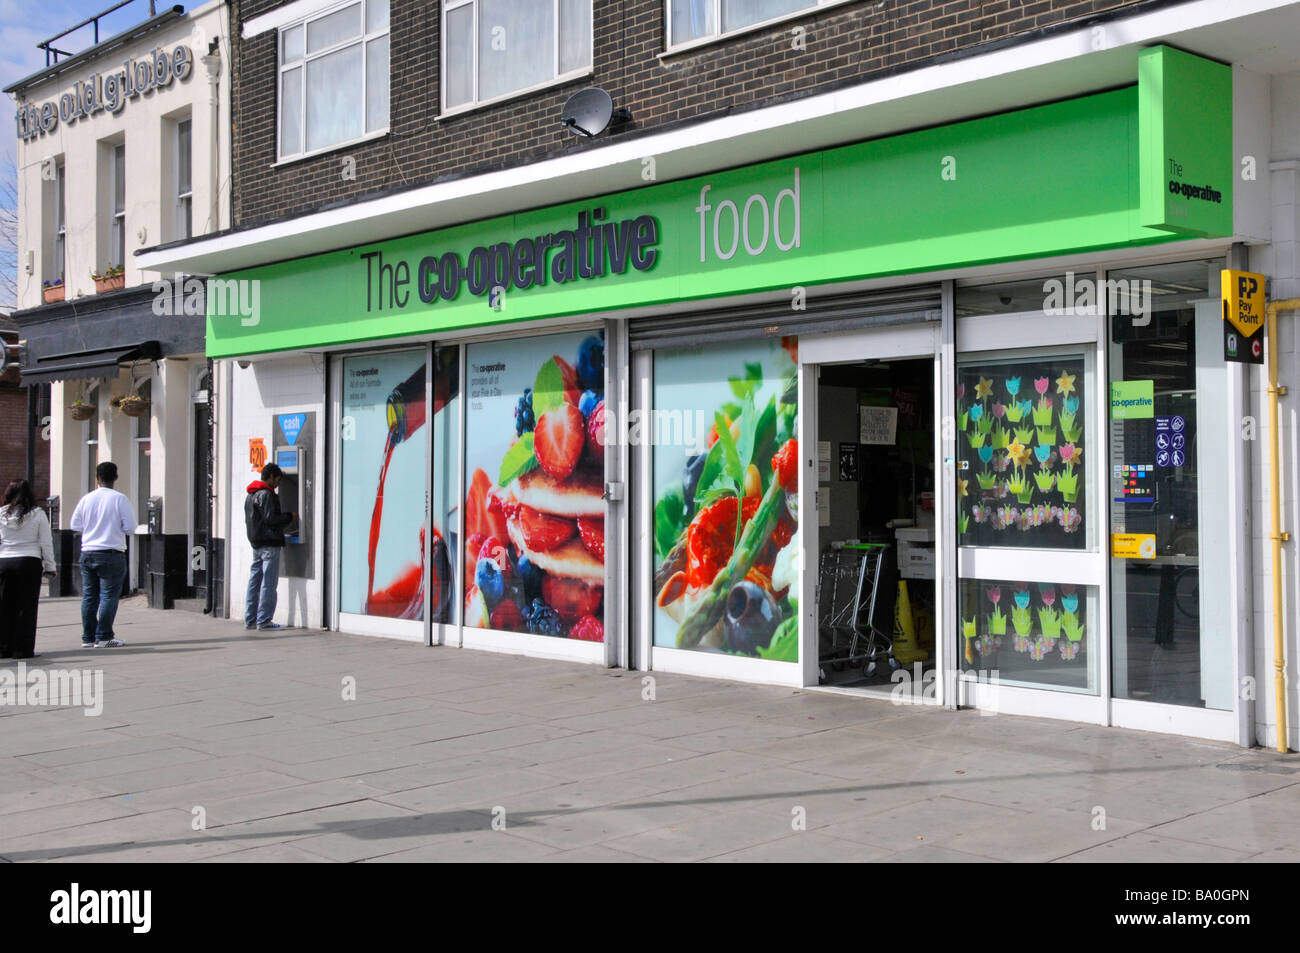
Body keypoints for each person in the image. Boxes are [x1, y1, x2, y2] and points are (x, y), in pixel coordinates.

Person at [70, 462, 136, 647]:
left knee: (89, 596)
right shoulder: (119, 499)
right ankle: (105, 636)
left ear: (97, 477)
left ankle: (88, 638)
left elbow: (75, 524)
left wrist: (91, 528)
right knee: (108, 595)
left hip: (88, 552)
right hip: (111, 553)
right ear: (116, 477)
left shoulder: (87, 499)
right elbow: (130, 527)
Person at [0, 480, 56, 660]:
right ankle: (22, 649)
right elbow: (46, 543)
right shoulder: (38, 514)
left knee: (4, 606)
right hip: (29, 562)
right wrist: (50, 566)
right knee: (26, 607)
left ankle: (3, 647)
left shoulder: (1, 514)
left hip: (4, 562)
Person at [245, 463, 297, 631]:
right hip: (270, 544)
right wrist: (290, 516)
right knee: (269, 583)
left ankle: (251, 619)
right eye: (278, 480)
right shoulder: (267, 495)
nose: (278, 484)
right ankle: (264, 620)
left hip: (256, 544)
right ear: (271, 477)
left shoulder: (251, 494)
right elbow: (271, 519)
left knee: (254, 581)